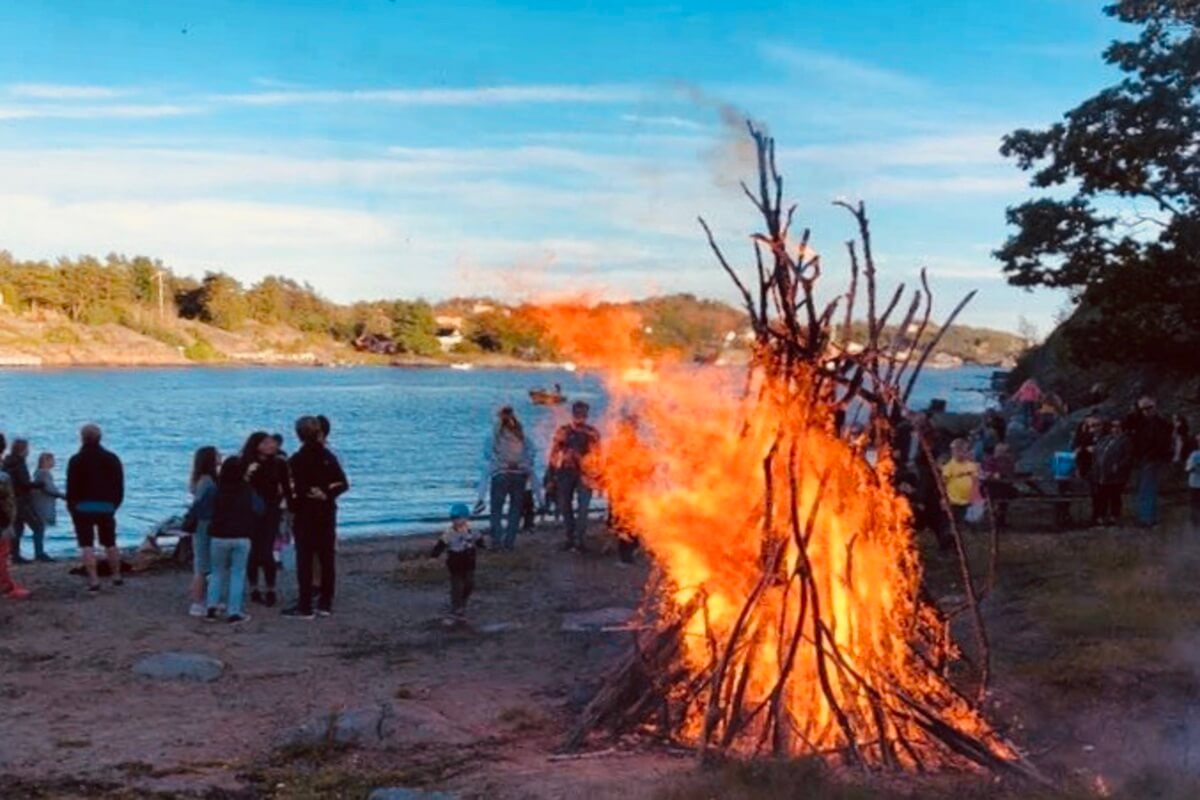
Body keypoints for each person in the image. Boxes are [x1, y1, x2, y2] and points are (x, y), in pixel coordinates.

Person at [283, 416, 348, 620]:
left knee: (305, 558)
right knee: (326, 557)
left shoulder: (295, 460)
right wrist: (327, 494)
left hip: (305, 514)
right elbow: (342, 483)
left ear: (298, 435)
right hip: (325, 512)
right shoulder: (327, 456)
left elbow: (289, 489)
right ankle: (325, 603)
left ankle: (305, 605)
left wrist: (295, 505)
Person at [66, 424, 124, 592]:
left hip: (83, 507)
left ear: (82, 438)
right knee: (110, 542)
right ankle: (117, 576)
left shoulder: (76, 459)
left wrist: (72, 506)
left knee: (86, 544)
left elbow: (72, 487)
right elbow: (119, 485)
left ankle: (93, 580)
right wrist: (114, 505)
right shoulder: (112, 458)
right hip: (106, 506)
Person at [477, 406, 540, 550]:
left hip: (500, 474)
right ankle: (509, 543)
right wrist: (522, 464)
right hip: (519, 475)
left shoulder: (494, 434)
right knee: (515, 510)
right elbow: (532, 451)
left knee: (496, 510)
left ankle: (497, 542)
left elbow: (487, 454)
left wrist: (502, 463)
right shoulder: (521, 434)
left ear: (499, 417)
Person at [241, 431, 292, 608]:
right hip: (250, 513)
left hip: (272, 511)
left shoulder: (279, 463)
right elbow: (236, 487)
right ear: (256, 445)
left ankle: (271, 588)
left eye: (272, 443)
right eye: (266, 443)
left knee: (267, 550)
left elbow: (286, 488)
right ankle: (254, 587)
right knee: (253, 551)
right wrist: (247, 474)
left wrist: (290, 509)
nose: (271, 446)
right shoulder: (246, 463)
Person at [206, 456, 254, 624]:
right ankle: (234, 612)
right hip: (241, 535)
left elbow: (203, 508)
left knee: (216, 572)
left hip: (219, 535)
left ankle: (211, 608)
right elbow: (259, 508)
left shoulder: (216, 489)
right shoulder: (247, 489)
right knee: (237, 573)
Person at [550, 400, 602, 553]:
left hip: (585, 474)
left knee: (583, 509)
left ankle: (579, 540)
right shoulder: (564, 431)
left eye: (583, 413)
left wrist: (598, 474)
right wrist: (552, 474)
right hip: (566, 472)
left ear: (586, 414)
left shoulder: (592, 433)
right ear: (573, 414)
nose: (580, 416)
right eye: (578, 413)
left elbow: (598, 455)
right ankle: (570, 538)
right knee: (565, 506)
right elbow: (554, 453)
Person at [430, 502, 486, 621]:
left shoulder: (472, 530)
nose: (456, 521)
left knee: (469, 583)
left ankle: (462, 601)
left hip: (469, 561)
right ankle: (456, 607)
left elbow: (479, 539)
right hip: (455, 562)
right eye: (454, 518)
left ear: (466, 518)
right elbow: (441, 544)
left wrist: (482, 545)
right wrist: (434, 556)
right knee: (457, 585)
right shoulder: (449, 533)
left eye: (459, 518)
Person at [185, 446, 220, 618]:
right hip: (204, 524)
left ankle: (204, 599)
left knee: (204, 562)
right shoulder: (207, 481)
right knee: (203, 564)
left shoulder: (199, 479)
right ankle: (197, 602)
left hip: (202, 524)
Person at [1129, 396, 1172, 528]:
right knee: (1144, 489)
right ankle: (1146, 517)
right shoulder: (1142, 423)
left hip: (1153, 459)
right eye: (1143, 409)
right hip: (1145, 458)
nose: (1146, 411)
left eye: (1149, 408)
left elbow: (1161, 443)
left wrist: (1149, 455)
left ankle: (1147, 519)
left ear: (1155, 407)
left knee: (1148, 489)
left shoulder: (1161, 424)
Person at [3, 439, 49, 563]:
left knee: (18, 527)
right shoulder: (19, 463)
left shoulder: (7, 463)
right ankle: (39, 553)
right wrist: (39, 484)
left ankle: (15, 555)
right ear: (23, 450)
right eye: (27, 449)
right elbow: (24, 483)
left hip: (12, 500)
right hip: (22, 500)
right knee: (38, 525)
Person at [0, 442, 30, 600]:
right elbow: (7, 503)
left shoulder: (6, 468)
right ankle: (5, 587)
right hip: (2, 520)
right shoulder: (3, 477)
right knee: (2, 554)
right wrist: (9, 521)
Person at [1093, 419, 1133, 527]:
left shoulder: (1125, 441)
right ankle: (1101, 515)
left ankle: (1114, 516)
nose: (1115, 429)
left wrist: (1119, 465)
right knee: (1102, 495)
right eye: (1113, 427)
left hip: (1116, 474)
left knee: (1114, 495)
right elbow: (1098, 451)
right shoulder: (1106, 439)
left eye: (1118, 427)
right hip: (1102, 472)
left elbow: (1128, 457)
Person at [940, 438, 979, 537]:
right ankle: (950, 538)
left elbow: (975, 480)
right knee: (952, 521)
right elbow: (943, 483)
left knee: (962, 520)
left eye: (963, 450)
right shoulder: (949, 467)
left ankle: (960, 536)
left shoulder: (971, 466)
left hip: (966, 500)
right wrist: (943, 498)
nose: (960, 453)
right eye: (957, 450)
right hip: (953, 500)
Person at [32, 452, 66, 551]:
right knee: (40, 528)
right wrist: (62, 495)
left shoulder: (38, 472)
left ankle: (39, 550)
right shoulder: (44, 473)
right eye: (52, 460)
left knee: (39, 527)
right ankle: (39, 551)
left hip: (40, 502)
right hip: (42, 503)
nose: (53, 462)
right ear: (46, 461)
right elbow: (49, 488)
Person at [981, 442, 1016, 529]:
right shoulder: (990, 461)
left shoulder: (1009, 462)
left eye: (1009, 452)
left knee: (1009, 493)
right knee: (1004, 494)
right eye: (1006, 452)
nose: (1008, 454)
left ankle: (1000, 520)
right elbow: (986, 475)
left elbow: (1009, 477)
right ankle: (996, 519)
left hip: (1002, 488)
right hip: (988, 488)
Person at [1187, 433, 1200, 530]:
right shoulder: (1193, 455)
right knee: (1194, 503)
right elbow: (1188, 468)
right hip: (1194, 483)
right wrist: (1193, 468)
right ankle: (1195, 520)